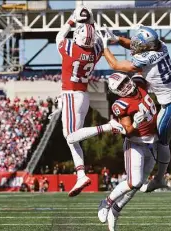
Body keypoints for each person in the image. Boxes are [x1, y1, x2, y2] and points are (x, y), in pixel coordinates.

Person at [96, 25, 171, 193]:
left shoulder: (144, 59)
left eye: (139, 44)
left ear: (146, 46)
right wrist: (116, 38)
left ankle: (159, 179)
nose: (135, 46)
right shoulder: (161, 46)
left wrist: (104, 47)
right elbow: (134, 44)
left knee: (163, 143)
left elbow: (116, 65)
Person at [67, 72, 157, 231]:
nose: (125, 86)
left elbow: (141, 68)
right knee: (135, 181)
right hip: (136, 143)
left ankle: (116, 210)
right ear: (117, 91)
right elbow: (129, 131)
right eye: (121, 86)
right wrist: (136, 123)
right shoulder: (121, 104)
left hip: (153, 141)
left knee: (138, 185)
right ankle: (106, 203)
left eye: (124, 82)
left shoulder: (140, 83)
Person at [55, 7, 104, 197]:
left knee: (70, 137)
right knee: (73, 138)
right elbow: (96, 38)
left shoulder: (69, 49)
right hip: (83, 96)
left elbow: (59, 36)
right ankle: (81, 174)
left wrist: (71, 20)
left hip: (70, 94)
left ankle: (106, 128)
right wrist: (91, 22)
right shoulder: (96, 52)